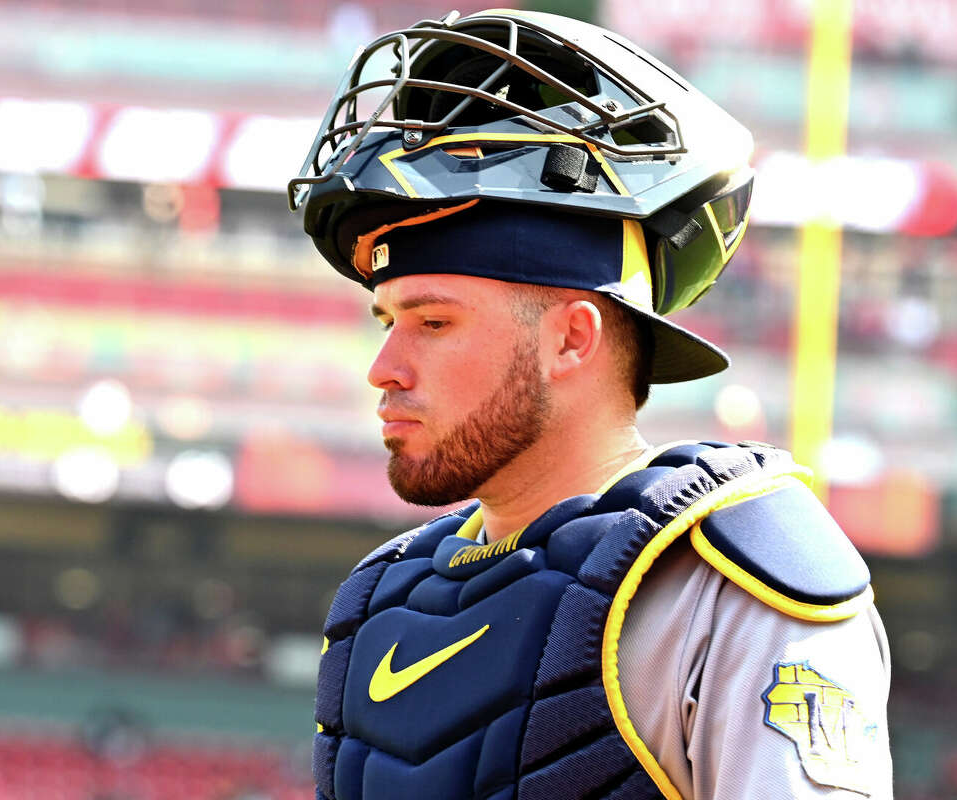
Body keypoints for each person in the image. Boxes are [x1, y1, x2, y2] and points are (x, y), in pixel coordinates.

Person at [288, 10, 892, 800]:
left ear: (573, 339)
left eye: (433, 322)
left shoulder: (735, 588)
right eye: (387, 321)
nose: (384, 369)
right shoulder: (382, 599)